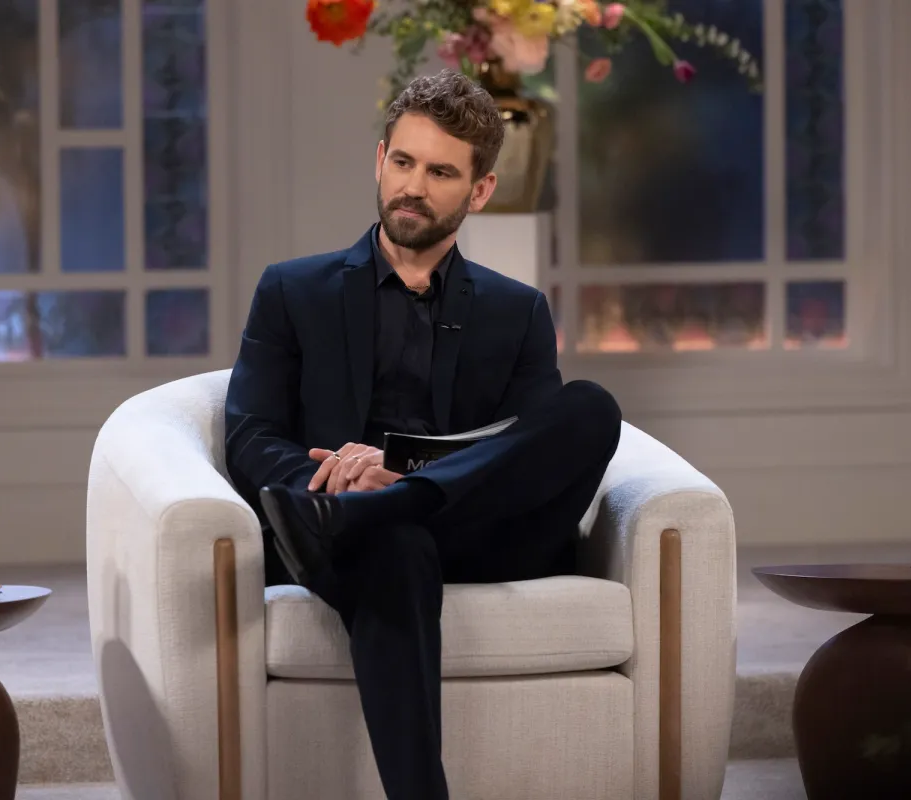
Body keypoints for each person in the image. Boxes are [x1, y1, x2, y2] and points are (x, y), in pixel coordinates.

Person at [224, 69, 622, 800]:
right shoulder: (292, 291)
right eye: (403, 162)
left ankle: (397, 502)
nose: (413, 186)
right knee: (395, 543)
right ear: (380, 161)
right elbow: (249, 432)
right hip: (347, 530)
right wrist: (331, 482)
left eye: (441, 172)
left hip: (479, 535)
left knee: (592, 407)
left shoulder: (518, 311)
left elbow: (524, 455)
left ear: (480, 191)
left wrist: (406, 482)